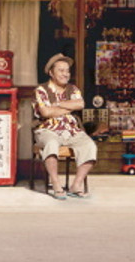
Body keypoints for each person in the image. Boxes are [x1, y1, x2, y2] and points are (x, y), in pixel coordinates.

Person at [33, 53, 96, 200]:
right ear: (51, 73)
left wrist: (57, 104)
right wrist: (69, 107)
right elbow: (45, 112)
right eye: (61, 70)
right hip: (47, 129)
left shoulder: (72, 89)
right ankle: (56, 184)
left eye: (67, 71)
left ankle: (76, 185)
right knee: (51, 143)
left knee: (90, 146)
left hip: (72, 130)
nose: (65, 74)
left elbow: (80, 104)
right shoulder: (41, 90)